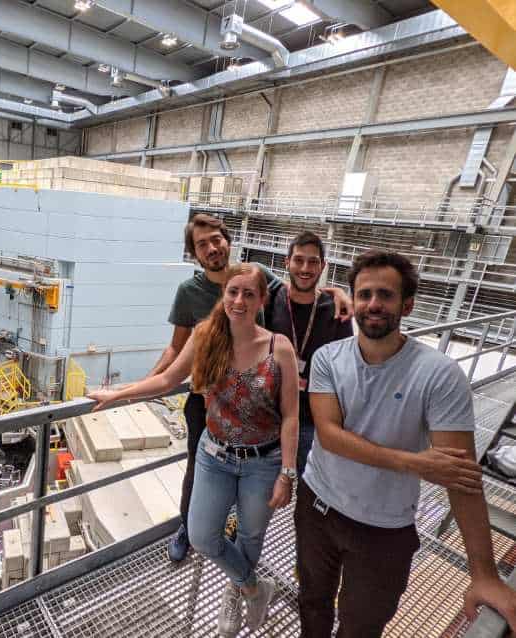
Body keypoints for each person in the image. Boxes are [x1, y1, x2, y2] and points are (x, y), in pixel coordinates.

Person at [299, 250, 516, 637]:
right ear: (353, 301)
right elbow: (329, 436)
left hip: (383, 528)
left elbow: (459, 476)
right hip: (318, 507)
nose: (373, 304)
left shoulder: (439, 375)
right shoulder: (328, 358)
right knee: (313, 603)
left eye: (385, 294)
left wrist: (484, 574)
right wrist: (415, 463)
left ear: (407, 305)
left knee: (361, 625)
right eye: (365, 294)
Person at [90, 263, 300, 636]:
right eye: (233, 291)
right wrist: (118, 393)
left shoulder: (278, 347)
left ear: (261, 300)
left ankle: (235, 591)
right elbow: (168, 379)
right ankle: (254, 587)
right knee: (202, 535)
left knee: (251, 536)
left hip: (263, 462)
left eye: (248, 294)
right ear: (224, 295)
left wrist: (287, 472)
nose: (239, 300)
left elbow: (291, 417)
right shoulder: (206, 336)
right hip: (214, 456)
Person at [152, 214, 352, 562]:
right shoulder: (189, 292)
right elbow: (175, 347)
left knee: (258, 472)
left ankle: (239, 535)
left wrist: (336, 292)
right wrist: (146, 382)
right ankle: (189, 526)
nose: (212, 248)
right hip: (210, 400)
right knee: (199, 469)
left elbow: (298, 286)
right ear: (194, 253)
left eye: (216, 239)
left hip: (260, 397)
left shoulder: (255, 274)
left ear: (228, 241)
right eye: (202, 244)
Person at [264, 231, 354, 473]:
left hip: (311, 419)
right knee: (266, 487)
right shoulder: (270, 300)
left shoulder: (336, 311)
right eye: (298, 260)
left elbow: (345, 370)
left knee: (308, 484)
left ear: (323, 266)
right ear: (287, 262)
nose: (305, 268)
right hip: (268, 415)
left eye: (313, 262)